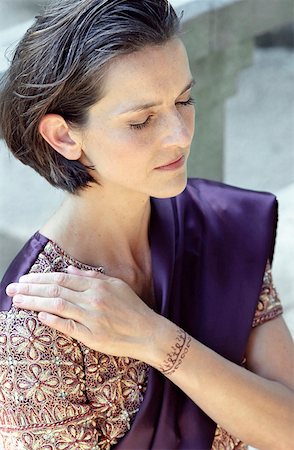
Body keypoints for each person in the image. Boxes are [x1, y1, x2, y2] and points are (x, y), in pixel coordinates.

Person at [0, 0, 293, 449]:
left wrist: (158, 340)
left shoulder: (218, 224)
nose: (179, 133)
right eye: (141, 121)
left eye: (184, 100)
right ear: (63, 136)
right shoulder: (37, 328)